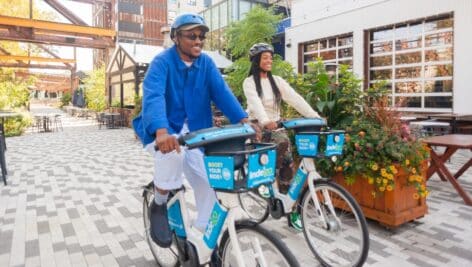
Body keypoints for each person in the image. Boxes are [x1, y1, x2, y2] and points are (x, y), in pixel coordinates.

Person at [133, 13, 248, 248]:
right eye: (192, 36)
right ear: (176, 37)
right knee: (173, 153)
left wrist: (244, 120)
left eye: (202, 36)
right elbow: (153, 95)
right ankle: (160, 202)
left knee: (208, 181)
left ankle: (202, 236)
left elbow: (222, 92)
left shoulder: (205, 63)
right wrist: (161, 131)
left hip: (196, 132)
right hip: (163, 129)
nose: (198, 41)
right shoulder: (162, 62)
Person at [243, 43, 321, 231]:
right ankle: (261, 186)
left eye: (271, 57)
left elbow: (295, 99)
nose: (269, 60)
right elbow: (256, 104)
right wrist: (264, 120)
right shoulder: (249, 82)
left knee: (287, 163)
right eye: (265, 57)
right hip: (258, 126)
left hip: (276, 126)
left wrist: (314, 116)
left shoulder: (276, 81)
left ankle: (291, 208)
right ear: (256, 61)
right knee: (265, 166)